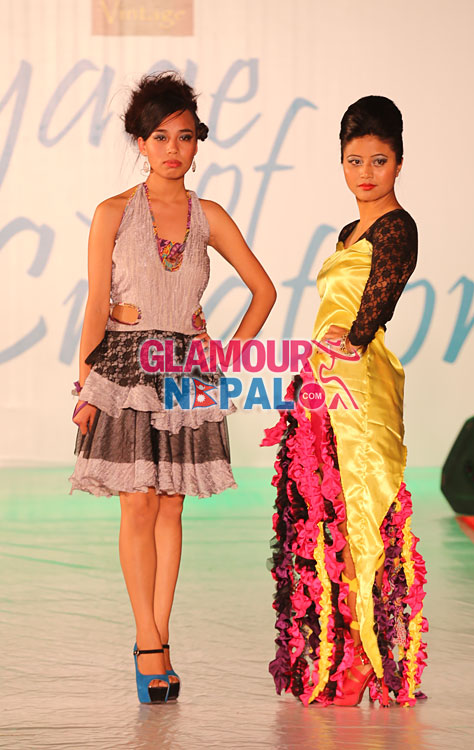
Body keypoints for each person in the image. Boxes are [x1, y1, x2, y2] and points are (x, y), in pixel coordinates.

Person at [69, 72, 276, 704]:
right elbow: (96, 305)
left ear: (197, 143)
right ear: (140, 142)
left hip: (187, 371)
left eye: (184, 137)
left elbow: (263, 290)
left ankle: (159, 638)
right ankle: (148, 640)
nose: (172, 149)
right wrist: (86, 385)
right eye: (159, 136)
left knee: (171, 505)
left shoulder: (209, 216)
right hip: (126, 368)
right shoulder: (111, 213)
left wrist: (224, 355)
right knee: (137, 502)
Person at [263, 95, 427, 707]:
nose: (366, 173)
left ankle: (363, 657)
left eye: (378, 160)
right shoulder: (347, 232)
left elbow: (372, 312)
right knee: (328, 515)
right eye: (354, 161)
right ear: (341, 162)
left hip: (360, 381)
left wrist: (341, 348)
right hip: (326, 379)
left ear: (399, 162)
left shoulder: (397, 228)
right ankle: (339, 649)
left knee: (363, 514)